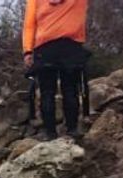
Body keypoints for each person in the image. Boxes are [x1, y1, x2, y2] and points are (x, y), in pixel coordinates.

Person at [23, 0, 90, 137]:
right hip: (71, 46)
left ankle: (50, 133)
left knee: (47, 93)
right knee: (71, 90)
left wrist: (28, 51)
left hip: (45, 48)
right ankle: (72, 130)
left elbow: (29, 25)